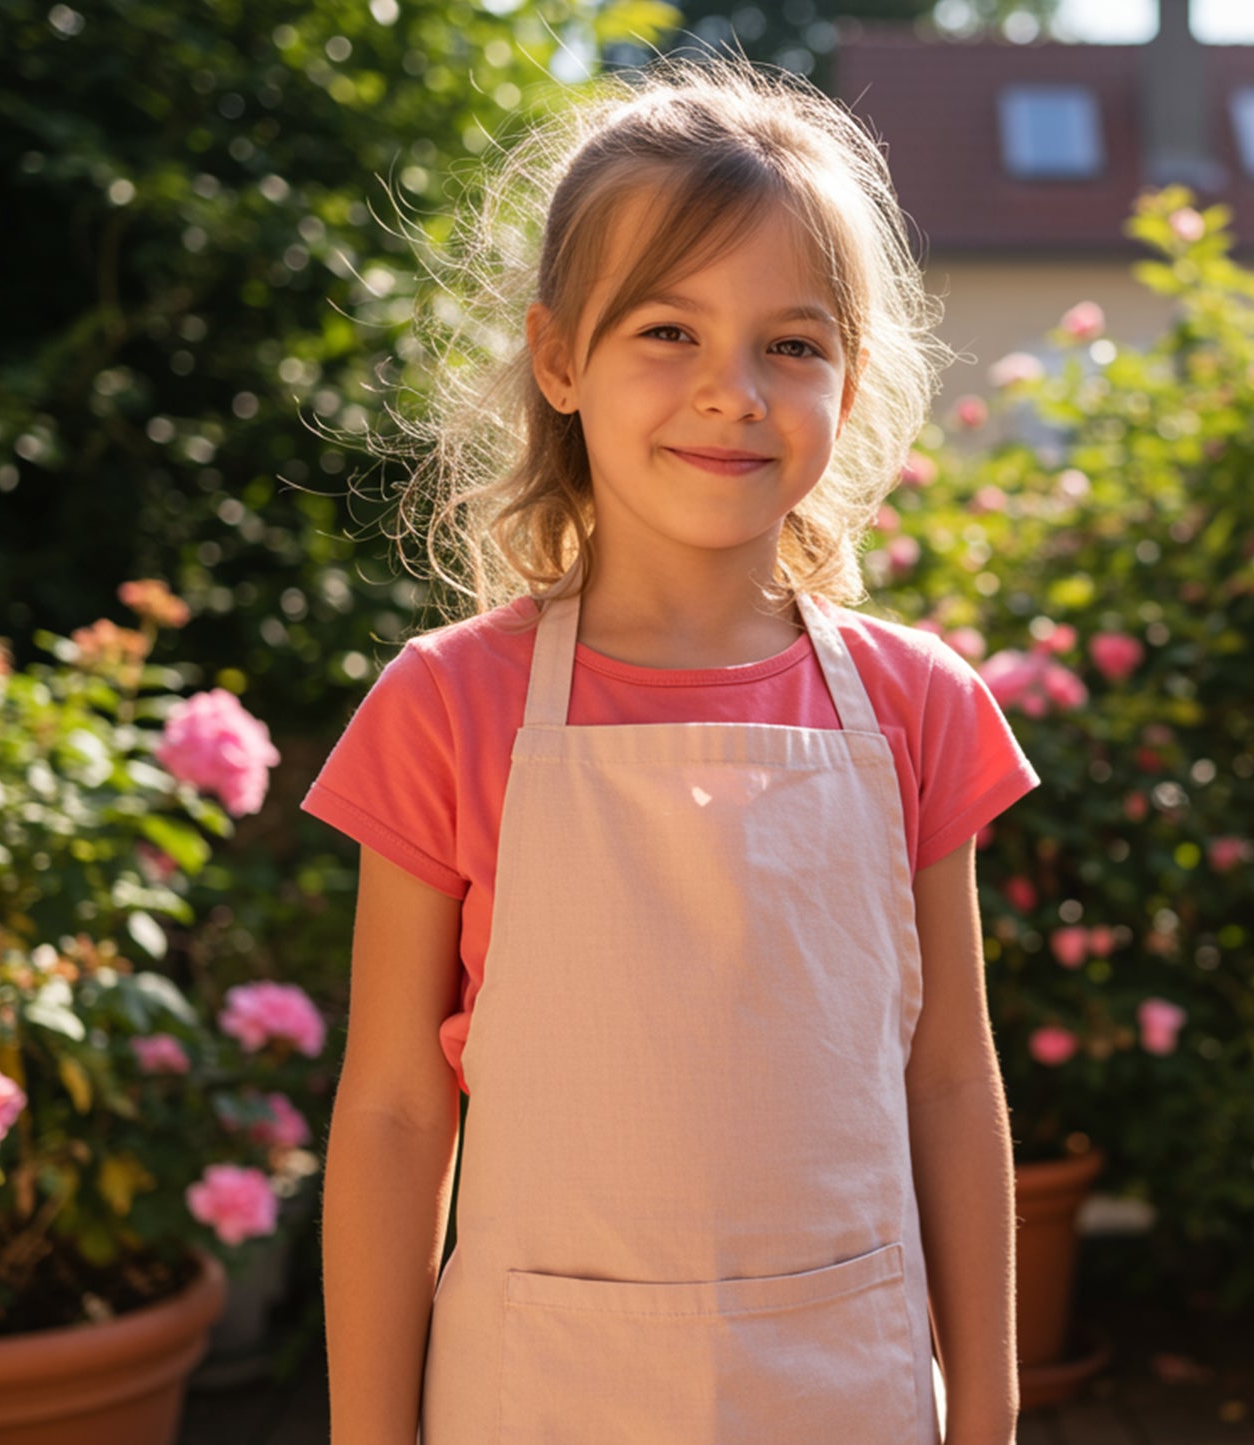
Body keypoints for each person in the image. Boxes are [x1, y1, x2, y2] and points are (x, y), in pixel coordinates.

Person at [303, 57, 1039, 1445]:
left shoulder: (916, 704)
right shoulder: (445, 706)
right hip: (538, 1393)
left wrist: (988, 1414)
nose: (732, 391)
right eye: (667, 332)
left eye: (791, 343)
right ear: (560, 358)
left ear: (847, 377)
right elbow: (398, 1108)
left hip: (845, 1384)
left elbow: (947, 1075)